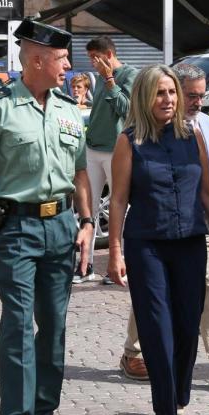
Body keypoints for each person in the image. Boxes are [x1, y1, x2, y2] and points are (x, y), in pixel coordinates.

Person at [0, 20, 93, 415]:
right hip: (15, 230)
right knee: (18, 326)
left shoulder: (69, 109)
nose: (68, 67)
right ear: (36, 60)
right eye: (61, 59)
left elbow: (79, 173)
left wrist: (88, 222)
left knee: (54, 327)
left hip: (60, 227)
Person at [108, 65, 209, 415]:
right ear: (145, 99)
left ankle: (177, 394)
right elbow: (117, 199)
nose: (168, 100)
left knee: (186, 325)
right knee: (157, 329)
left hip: (191, 243)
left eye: (171, 93)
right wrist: (114, 250)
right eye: (160, 93)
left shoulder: (192, 134)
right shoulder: (128, 142)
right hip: (147, 245)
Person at [117, 62, 209, 395]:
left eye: (200, 95)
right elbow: (124, 190)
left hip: (198, 225)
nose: (196, 101)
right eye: (190, 95)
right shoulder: (135, 134)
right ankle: (138, 352)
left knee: (202, 285)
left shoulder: (203, 126)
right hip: (155, 228)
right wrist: (117, 250)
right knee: (156, 295)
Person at [83, 36, 138, 289]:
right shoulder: (98, 79)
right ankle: (86, 264)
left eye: (95, 57)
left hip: (117, 151)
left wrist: (109, 80)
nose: (92, 63)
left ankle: (120, 265)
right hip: (93, 148)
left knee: (120, 207)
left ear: (108, 54)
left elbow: (126, 109)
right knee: (88, 209)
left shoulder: (130, 75)